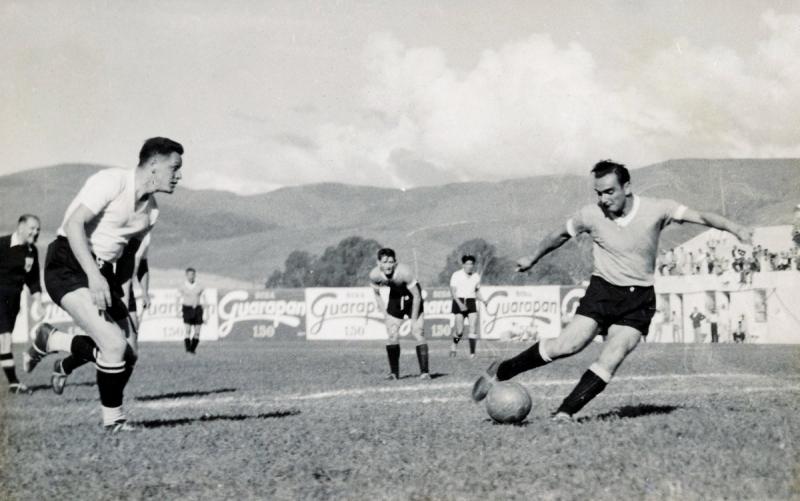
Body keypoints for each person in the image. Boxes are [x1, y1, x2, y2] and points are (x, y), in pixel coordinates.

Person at [471, 160, 752, 421]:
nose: (604, 199)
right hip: (603, 291)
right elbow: (560, 235)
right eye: (599, 193)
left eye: (609, 192)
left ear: (627, 187)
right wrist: (533, 257)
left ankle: (564, 414)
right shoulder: (590, 215)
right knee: (567, 345)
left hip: (639, 299)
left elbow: (701, 217)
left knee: (613, 354)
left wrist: (734, 227)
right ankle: (503, 370)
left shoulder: (658, 208)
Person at [23, 137, 183, 432]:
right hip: (68, 262)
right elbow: (73, 225)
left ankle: (52, 340)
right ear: (154, 165)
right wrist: (94, 276)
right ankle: (114, 422)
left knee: (129, 351)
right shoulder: (111, 182)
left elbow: (126, 259)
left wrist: (122, 303)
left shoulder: (152, 211)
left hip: (102, 272)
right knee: (112, 345)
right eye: (174, 168)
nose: (178, 176)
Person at [48, 234, 152, 395]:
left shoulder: (145, 228)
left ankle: (66, 365)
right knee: (112, 343)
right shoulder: (114, 220)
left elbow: (141, 263)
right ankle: (112, 402)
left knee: (130, 352)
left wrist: (144, 291)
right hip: (100, 282)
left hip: (123, 288)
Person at [369, 248, 430, 380]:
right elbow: (377, 294)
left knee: (417, 332)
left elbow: (417, 296)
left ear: (395, 263)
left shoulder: (404, 273)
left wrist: (413, 320)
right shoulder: (374, 275)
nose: (388, 265)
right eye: (384, 262)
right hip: (395, 296)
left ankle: (425, 372)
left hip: (412, 297)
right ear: (378, 263)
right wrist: (385, 314)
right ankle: (394, 373)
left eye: (391, 262)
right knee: (392, 334)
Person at [0, 215, 43, 394]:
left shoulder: (31, 251)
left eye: (38, 229)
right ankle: (14, 383)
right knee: (5, 339)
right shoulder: (2, 244)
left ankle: (13, 383)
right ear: (21, 227)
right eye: (32, 228)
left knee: (5, 340)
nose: (36, 232)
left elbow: (33, 281)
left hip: (13, 302)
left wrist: (38, 302)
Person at [448, 255, 486, 358]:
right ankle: (454, 345)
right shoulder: (456, 275)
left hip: (471, 301)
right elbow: (453, 291)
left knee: (473, 328)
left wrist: (483, 300)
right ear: (463, 264)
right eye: (467, 264)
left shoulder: (476, 276)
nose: (470, 266)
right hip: (459, 300)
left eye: (471, 264)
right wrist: (460, 305)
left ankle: (472, 354)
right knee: (459, 331)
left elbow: (477, 291)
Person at [178, 267, 204, 354]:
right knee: (188, 330)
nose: (191, 276)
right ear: (186, 275)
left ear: (195, 275)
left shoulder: (199, 286)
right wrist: (177, 310)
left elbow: (203, 298)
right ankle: (188, 349)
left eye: (193, 274)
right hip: (187, 308)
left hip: (197, 309)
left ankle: (193, 349)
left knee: (197, 332)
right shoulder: (182, 286)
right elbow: (178, 298)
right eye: (189, 275)